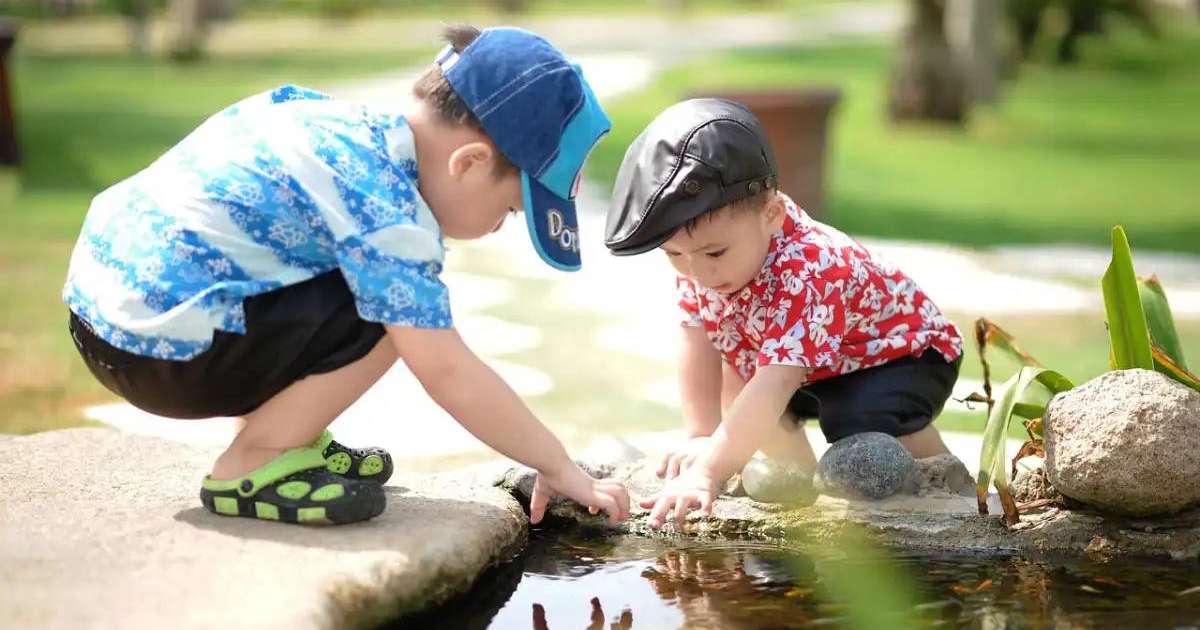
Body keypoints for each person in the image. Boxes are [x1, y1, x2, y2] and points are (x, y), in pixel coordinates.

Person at [63, 25, 629, 526]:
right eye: (509, 211)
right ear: (470, 163)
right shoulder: (387, 209)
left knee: (363, 282)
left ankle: (288, 436)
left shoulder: (336, 124)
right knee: (398, 315)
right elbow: (447, 371)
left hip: (105, 317)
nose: (499, 227)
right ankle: (254, 462)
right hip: (159, 354)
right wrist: (556, 464)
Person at [604, 98, 962, 528]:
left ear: (771, 214)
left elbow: (777, 380)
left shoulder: (811, 268)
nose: (698, 272)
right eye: (674, 255)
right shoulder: (703, 260)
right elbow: (696, 338)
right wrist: (702, 434)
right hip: (812, 364)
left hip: (900, 356)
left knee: (853, 419)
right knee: (739, 383)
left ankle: (945, 482)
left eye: (714, 252)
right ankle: (801, 490)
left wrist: (708, 472)